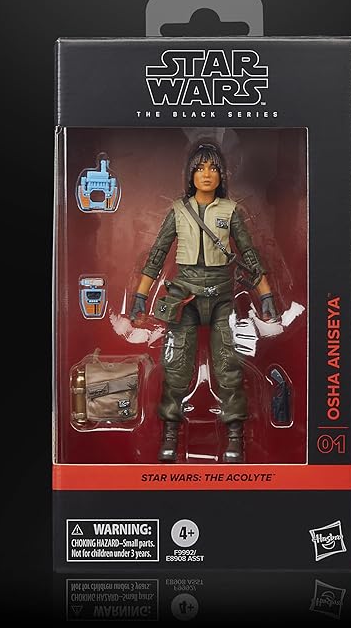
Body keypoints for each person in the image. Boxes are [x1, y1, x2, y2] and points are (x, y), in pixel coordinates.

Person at [130, 143, 278, 463]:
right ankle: (170, 435)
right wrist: (140, 296)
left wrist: (265, 295)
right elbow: (157, 254)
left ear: (222, 174)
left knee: (228, 368)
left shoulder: (231, 211)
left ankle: (235, 438)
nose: (207, 174)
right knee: (176, 368)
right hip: (185, 297)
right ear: (191, 175)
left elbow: (250, 254)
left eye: (212, 168)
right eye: (200, 168)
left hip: (223, 297)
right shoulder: (178, 211)